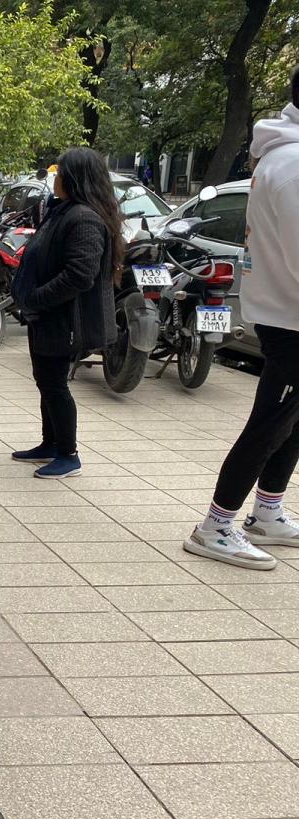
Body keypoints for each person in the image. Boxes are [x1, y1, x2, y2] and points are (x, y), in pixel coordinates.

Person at [184, 67, 299, 570]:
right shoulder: (294, 163)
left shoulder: (287, 156)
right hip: (292, 319)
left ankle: (268, 510)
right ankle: (215, 525)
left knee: (291, 422)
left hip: (288, 312)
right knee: (269, 423)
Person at [10, 147, 122, 479]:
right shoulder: (64, 211)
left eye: (60, 173)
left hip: (63, 318)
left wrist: (36, 299)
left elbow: (79, 275)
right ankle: (50, 443)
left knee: (55, 383)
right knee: (45, 380)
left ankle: (68, 454)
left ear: (75, 178)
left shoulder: (85, 218)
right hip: (44, 315)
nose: (55, 178)